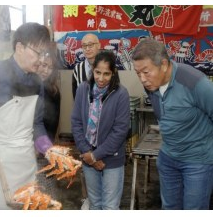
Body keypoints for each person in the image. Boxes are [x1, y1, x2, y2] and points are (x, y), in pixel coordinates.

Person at [0, 22, 57, 209]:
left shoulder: (38, 82)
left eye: (44, 53)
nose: (41, 59)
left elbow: (36, 123)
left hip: (26, 166)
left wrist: (47, 147)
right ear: (19, 47)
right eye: (38, 52)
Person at [131, 38, 213, 210]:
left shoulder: (195, 82)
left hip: (197, 161)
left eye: (146, 72)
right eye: (138, 73)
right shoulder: (151, 84)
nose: (142, 79)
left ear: (163, 64)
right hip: (168, 157)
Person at [71, 50, 130, 209]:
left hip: (111, 159)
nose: (101, 78)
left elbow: (120, 131)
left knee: (110, 206)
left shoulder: (121, 94)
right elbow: (76, 122)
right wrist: (87, 153)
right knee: (95, 204)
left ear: (113, 73)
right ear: (92, 70)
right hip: (88, 155)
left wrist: (95, 155)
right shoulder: (83, 89)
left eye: (106, 74)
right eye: (97, 72)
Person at [35, 42, 61, 199]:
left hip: (46, 149)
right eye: (42, 65)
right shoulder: (30, 89)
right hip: (32, 149)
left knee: (48, 196)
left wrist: (51, 146)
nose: (44, 70)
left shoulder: (54, 91)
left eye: (49, 67)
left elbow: (55, 122)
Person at [72, 33, 101, 99]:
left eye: (90, 45)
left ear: (99, 45)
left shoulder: (107, 67)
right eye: (84, 46)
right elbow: (76, 97)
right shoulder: (77, 69)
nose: (87, 49)